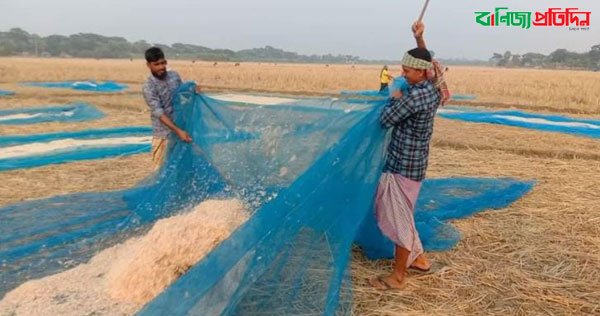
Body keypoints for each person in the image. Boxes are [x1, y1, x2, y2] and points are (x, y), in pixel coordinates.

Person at [369, 21, 441, 290]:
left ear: (421, 73)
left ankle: (398, 277)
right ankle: (419, 260)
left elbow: (385, 120)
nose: (403, 73)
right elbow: (432, 66)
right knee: (405, 214)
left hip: (403, 167)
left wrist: (395, 96)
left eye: (408, 70)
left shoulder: (414, 98)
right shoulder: (432, 87)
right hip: (415, 163)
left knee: (400, 220)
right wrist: (420, 38)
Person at [142, 47, 200, 170]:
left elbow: (182, 94)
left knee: (183, 168)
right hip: (164, 135)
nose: (161, 67)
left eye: (163, 63)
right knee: (161, 170)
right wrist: (178, 131)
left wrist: (192, 89)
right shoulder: (149, 86)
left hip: (182, 130)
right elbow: (159, 113)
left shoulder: (174, 76)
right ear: (148, 65)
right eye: (156, 64)